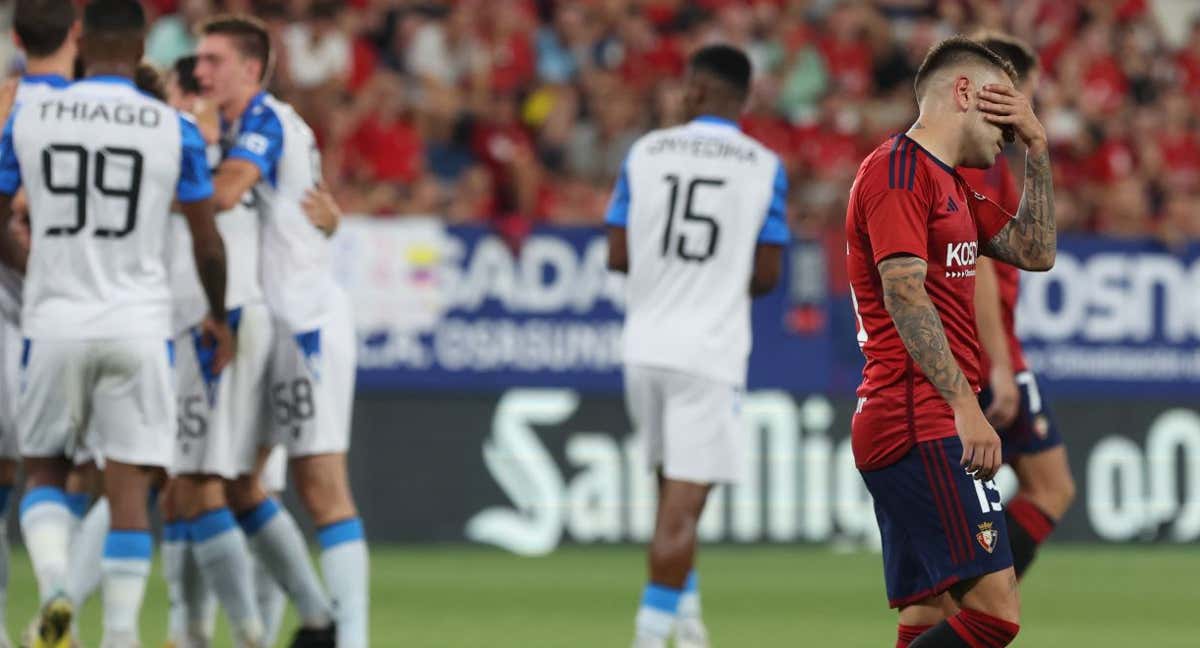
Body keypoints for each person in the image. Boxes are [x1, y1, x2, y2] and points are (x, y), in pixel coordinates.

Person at [0, 3, 233, 648]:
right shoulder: (173, 127)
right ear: (138, 48)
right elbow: (208, 241)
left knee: (45, 471)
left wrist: (30, 269)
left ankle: (54, 592)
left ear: (82, 40)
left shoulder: (29, 115)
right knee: (130, 489)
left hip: (53, 321)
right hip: (138, 323)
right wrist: (216, 311)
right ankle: (122, 636)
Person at [843, 36, 1056, 648]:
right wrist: (968, 407)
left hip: (918, 417)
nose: (1009, 133)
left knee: (930, 615)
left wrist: (1038, 147)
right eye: (1005, 113)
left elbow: (1035, 251)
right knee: (994, 617)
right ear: (965, 93)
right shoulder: (898, 171)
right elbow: (904, 295)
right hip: (919, 419)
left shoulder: (951, 186)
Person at [605, 44, 789, 648]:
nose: (680, 94)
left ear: (699, 90)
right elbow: (766, 276)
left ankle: (687, 625)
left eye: (687, 86)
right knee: (682, 510)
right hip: (707, 354)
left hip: (643, 346)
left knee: (667, 497)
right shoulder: (763, 166)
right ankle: (648, 636)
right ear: (744, 98)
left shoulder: (646, 153)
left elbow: (618, 255)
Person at [194, 14, 365, 648]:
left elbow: (223, 192)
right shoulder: (242, 126)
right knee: (244, 485)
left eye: (212, 61)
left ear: (249, 68)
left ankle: (350, 637)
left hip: (305, 324)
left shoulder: (264, 122)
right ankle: (296, 625)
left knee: (324, 488)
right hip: (264, 322)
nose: (201, 71)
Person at [963, 33, 1075, 581]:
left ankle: (969, 591)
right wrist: (1001, 362)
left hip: (986, 351)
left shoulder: (986, 160)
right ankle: (976, 593)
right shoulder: (980, 159)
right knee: (1051, 486)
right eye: (1026, 94)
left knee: (1048, 487)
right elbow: (978, 264)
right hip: (988, 355)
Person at [0, 2, 79, 644]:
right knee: (103, 476)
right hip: (77, 304)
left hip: (20, 300)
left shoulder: (7, 103)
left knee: (8, 473)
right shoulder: (95, 108)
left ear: (16, 38)